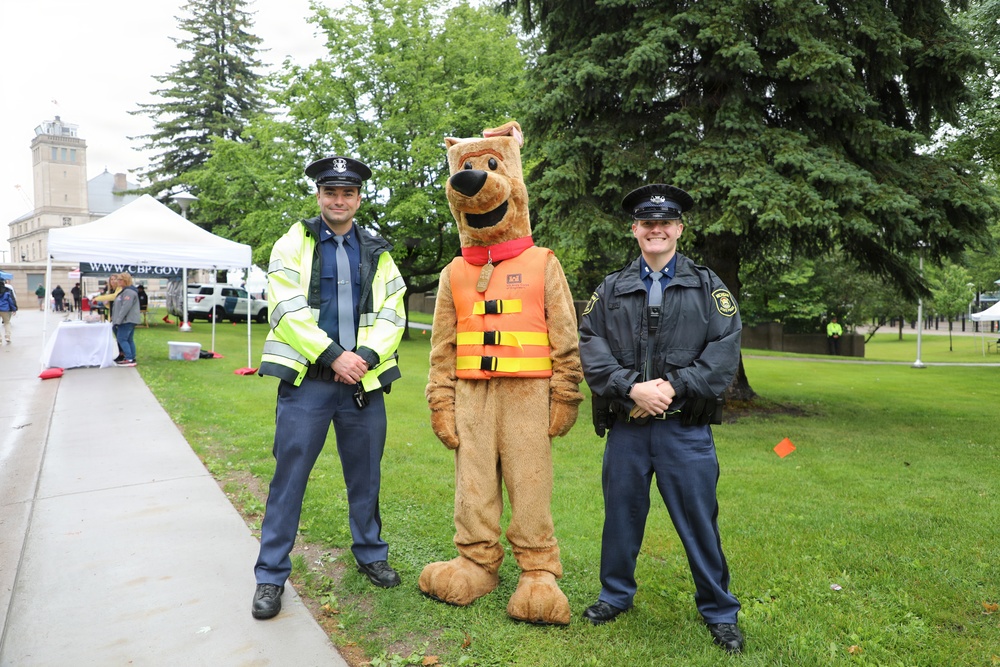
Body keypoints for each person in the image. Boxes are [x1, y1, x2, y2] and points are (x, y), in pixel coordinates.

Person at [578, 184, 745, 654]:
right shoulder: (609, 289)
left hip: (685, 430)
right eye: (647, 223)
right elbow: (590, 347)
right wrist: (631, 387)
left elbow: (725, 348)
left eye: (665, 222)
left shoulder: (708, 285)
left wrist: (672, 386)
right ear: (635, 230)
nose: (656, 229)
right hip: (629, 428)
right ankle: (615, 596)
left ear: (679, 229)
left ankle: (719, 611)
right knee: (621, 518)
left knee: (698, 521)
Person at [252, 155, 406, 620]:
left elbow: (393, 310)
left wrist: (368, 359)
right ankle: (270, 576)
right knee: (288, 479)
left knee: (366, 476)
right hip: (308, 386)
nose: (339, 200)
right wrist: (334, 356)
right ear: (319, 196)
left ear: (359, 198)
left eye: (348, 193)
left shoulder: (377, 250)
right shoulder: (291, 243)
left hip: (363, 385)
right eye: (330, 192)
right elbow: (285, 307)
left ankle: (370, 554)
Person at [110, 273, 142, 366]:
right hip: (126, 320)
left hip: (127, 320)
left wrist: (118, 320)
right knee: (129, 339)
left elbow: (125, 308)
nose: (118, 281)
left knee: (122, 338)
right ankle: (132, 356)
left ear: (126, 280)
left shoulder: (129, 292)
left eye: (120, 279)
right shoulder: (124, 291)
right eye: (118, 279)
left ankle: (129, 358)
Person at [0, 279, 17, 345]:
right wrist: (14, 309)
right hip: (5, 309)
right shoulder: (7, 290)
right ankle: (7, 337)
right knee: (7, 323)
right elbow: (11, 300)